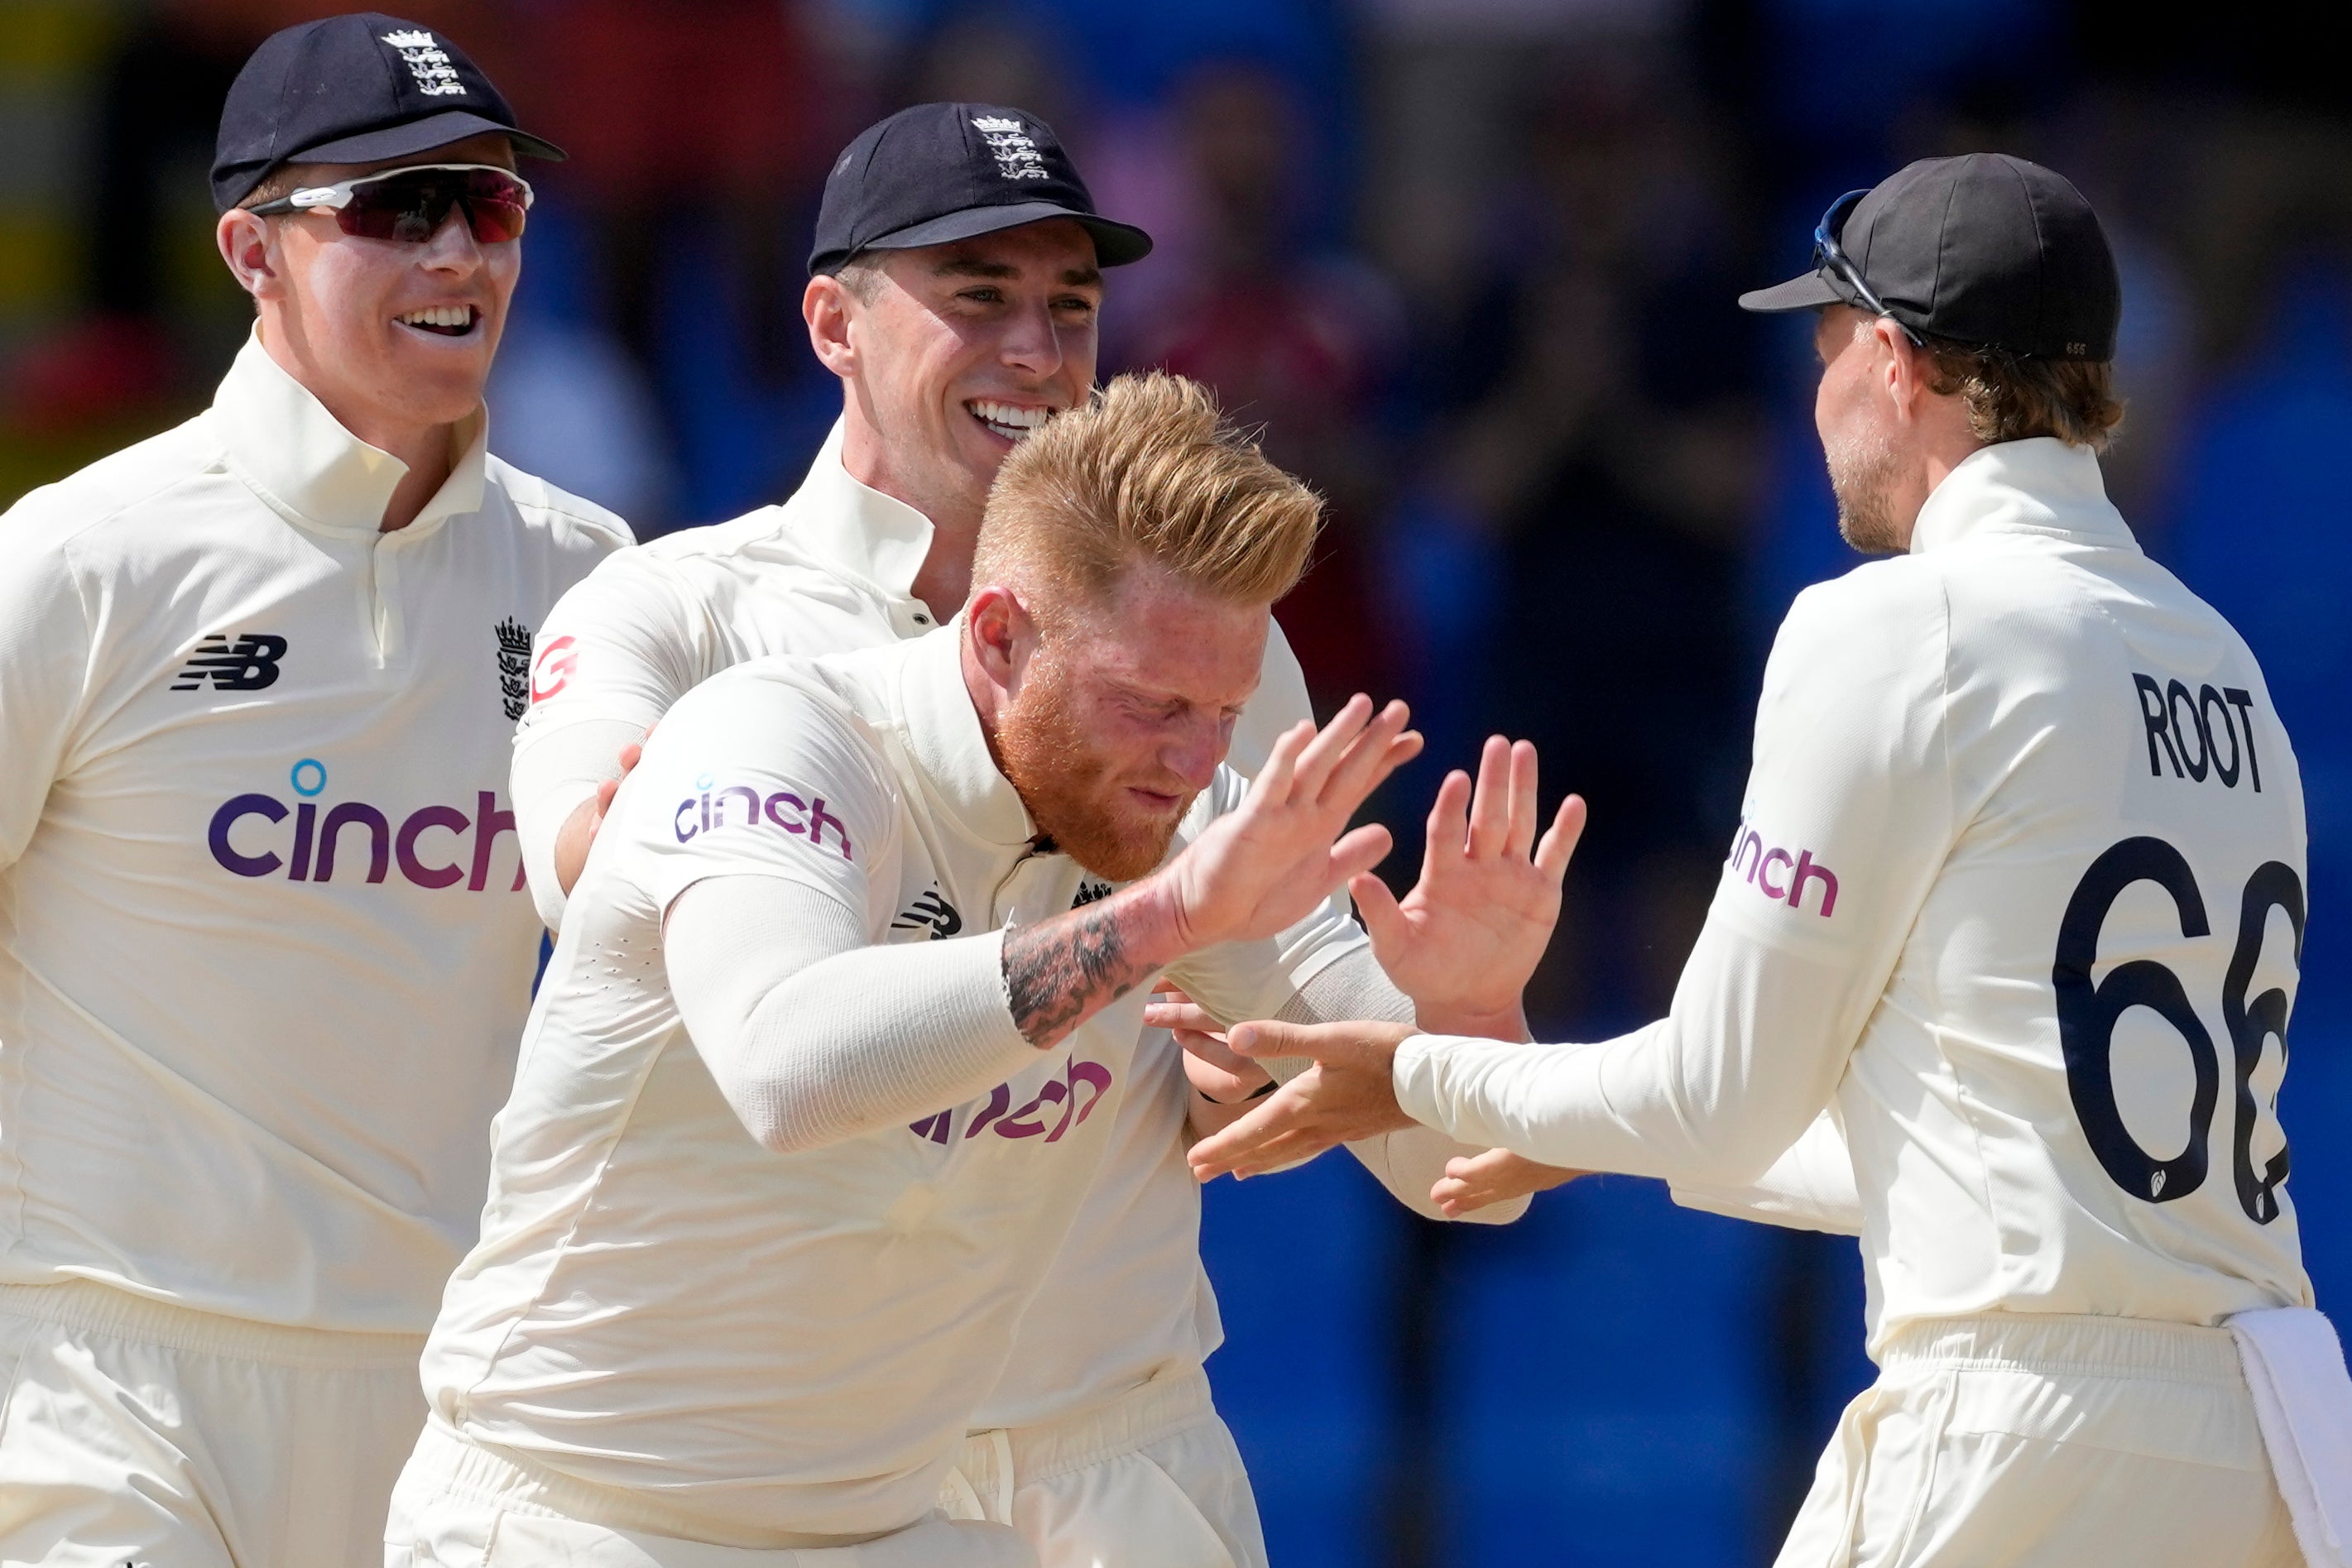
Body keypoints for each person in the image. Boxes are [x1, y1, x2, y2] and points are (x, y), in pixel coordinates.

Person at [1193, 154, 2347, 1566]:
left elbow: (1717, 1097)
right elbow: (1966, 1147)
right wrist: (1551, 1117)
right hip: (2260, 1445)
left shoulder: (1896, 624)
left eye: (1819, 348)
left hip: (2009, 1427)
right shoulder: (2220, 668)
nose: (1811, 401)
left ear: (1891, 357)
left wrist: (1418, 1070)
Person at [509, 102, 1572, 1566]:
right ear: (832, 320)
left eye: (1070, 306)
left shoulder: (1218, 652)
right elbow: (587, 893)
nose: (1036, 351)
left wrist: (1460, 1028)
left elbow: (1438, 1161)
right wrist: (1117, 957)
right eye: (978, 298)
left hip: (1113, 1453)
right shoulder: (681, 612)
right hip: (768, 1482)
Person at [0, 15, 630, 1564]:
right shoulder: (86, 558)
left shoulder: (594, 576)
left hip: (453, 1406)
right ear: (249, 248)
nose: (455, 251)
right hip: (100, 1383)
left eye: (489, 205)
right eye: (394, 209)